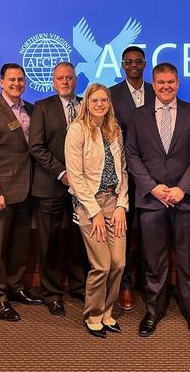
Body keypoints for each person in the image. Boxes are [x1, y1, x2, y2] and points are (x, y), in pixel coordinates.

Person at [125, 62, 190, 337]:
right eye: (161, 82)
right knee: (154, 260)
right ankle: (154, 310)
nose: (166, 87)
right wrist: (153, 187)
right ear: (153, 83)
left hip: (186, 200)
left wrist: (182, 188)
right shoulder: (138, 116)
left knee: (187, 259)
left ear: (178, 82)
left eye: (171, 82)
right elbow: (132, 155)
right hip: (151, 201)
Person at [0, 63, 43, 322]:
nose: (17, 83)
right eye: (12, 79)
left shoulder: (32, 110)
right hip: (1, 194)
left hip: (27, 190)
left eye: (21, 80)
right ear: (1, 82)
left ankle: (16, 288)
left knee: (19, 246)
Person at [64, 83, 128, 339]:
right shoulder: (77, 130)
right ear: (86, 104)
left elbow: (123, 171)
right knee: (101, 264)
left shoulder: (115, 130)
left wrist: (122, 204)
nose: (100, 104)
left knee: (119, 262)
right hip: (89, 204)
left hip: (114, 201)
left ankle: (107, 312)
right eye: (95, 100)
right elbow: (75, 176)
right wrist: (94, 211)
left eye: (104, 100)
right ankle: (92, 314)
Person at [29, 62, 89, 317]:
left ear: (76, 80)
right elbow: (36, 147)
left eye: (70, 78)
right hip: (52, 185)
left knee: (80, 238)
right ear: (53, 82)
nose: (65, 82)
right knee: (49, 241)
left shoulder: (87, 104)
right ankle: (52, 292)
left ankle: (78, 285)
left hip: (84, 188)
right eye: (60, 78)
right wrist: (64, 174)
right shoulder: (42, 107)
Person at [109, 46, 156, 311]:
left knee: (149, 232)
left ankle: (149, 281)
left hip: (153, 176)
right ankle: (125, 284)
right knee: (124, 232)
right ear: (123, 65)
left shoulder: (156, 91)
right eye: (129, 61)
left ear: (145, 64)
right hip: (123, 175)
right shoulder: (112, 94)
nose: (134, 65)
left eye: (138, 61)